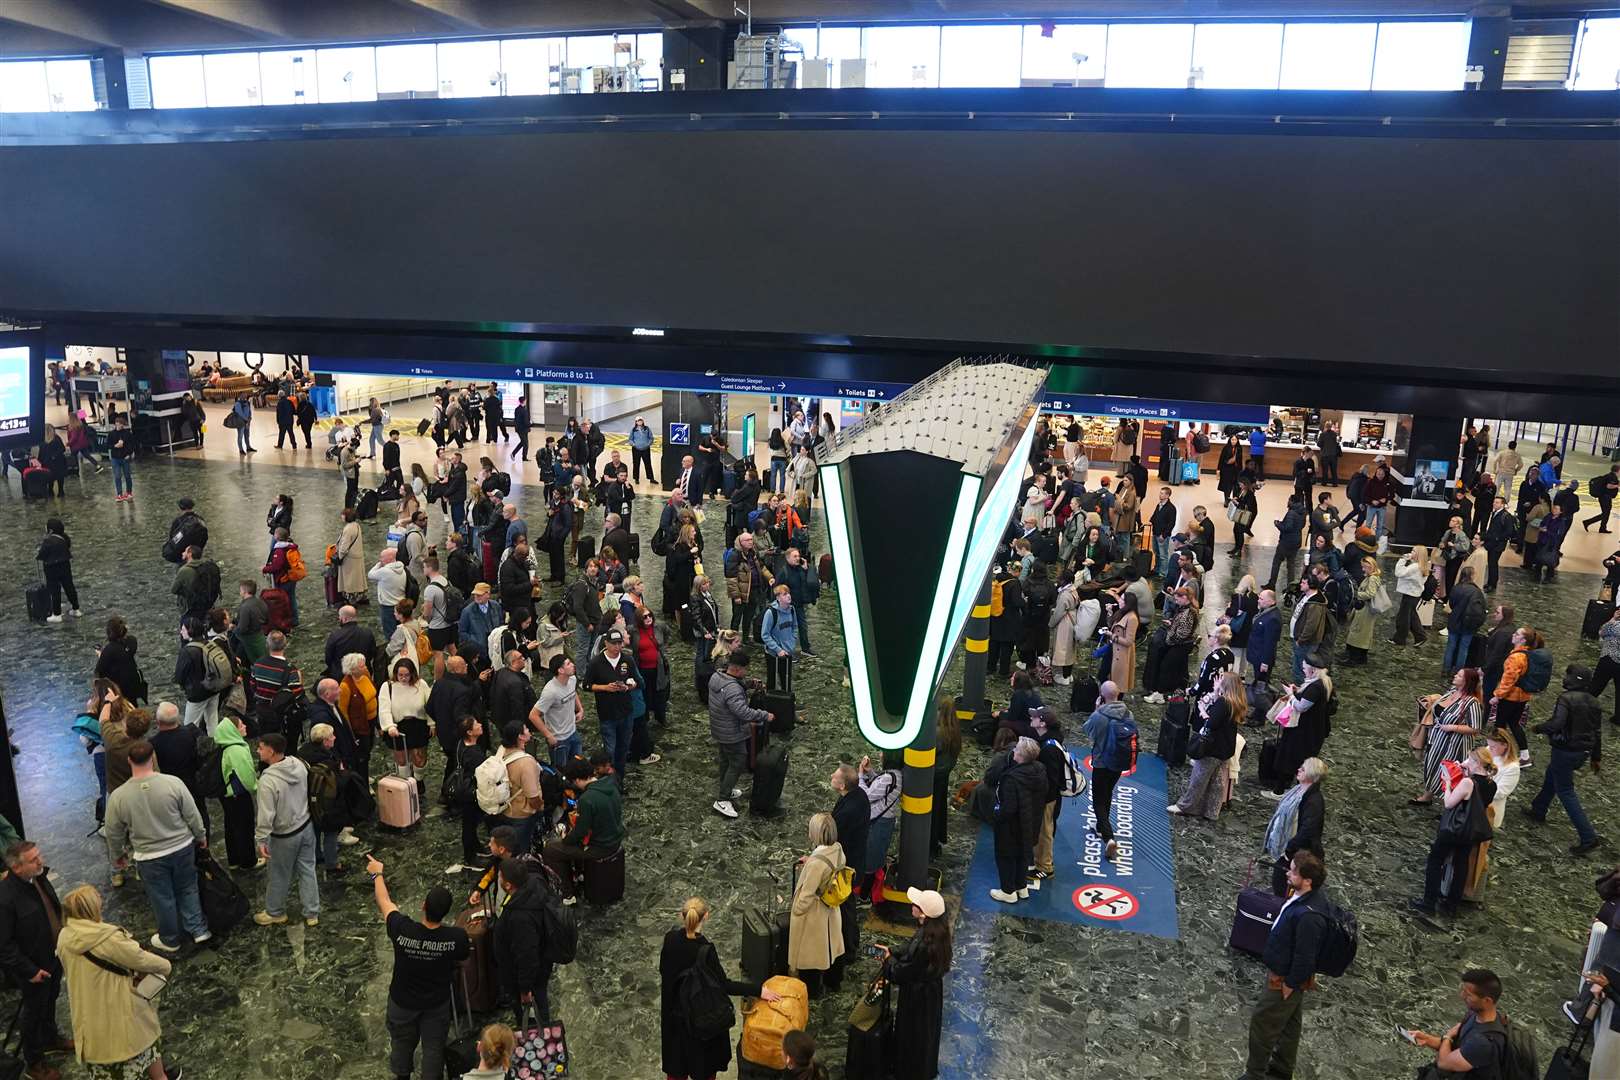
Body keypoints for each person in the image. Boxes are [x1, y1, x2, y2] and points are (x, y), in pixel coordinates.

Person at [55, 885, 182, 1080]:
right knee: (146, 1047)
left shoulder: (64, 937)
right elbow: (145, 960)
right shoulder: (109, 938)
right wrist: (166, 966)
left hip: (89, 1020)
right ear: (91, 909)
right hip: (122, 1017)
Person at [104, 741, 211, 954]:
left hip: (148, 856)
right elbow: (192, 814)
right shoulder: (173, 783)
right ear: (153, 758)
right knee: (188, 887)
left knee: (163, 898)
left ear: (129, 761)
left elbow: (113, 832)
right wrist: (201, 836)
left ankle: (171, 939)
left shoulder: (119, 796)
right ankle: (199, 930)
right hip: (182, 847)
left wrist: (117, 856)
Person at [365, 857, 468, 1080]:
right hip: (436, 1005)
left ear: (423, 906)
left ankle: (402, 1076)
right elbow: (463, 956)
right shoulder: (455, 938)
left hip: (402, 1003)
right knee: (433, 1050)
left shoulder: (403, 930)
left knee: (401, 1045)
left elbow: (384, 902)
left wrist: (377, 874)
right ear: (446, 913)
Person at [658, 896, 777, 1080]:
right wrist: (760, 990)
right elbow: (724, 985)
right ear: (706, 916)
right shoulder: (705, 951)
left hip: (674, 1027)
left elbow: (664, 971)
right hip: (699, 1026)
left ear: (682, 916)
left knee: (676, 1073)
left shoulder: (670, 940)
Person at [1240, 851, 1329, 1080]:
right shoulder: (1305, 897)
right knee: (1289, 1026)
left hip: (1284, 980)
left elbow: (1305, 957)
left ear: (1307, 880)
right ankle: (1281, 1071)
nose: (1287, 873)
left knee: (1263, 1023)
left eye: (1293, 871)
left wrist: (1290, 983)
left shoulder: (1310, 917)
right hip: (1286, 975)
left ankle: (1254, 1074)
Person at [0, 841, 70, 1080]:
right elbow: (4, 945)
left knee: (50, 999)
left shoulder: (38, 877)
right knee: (33, 1012)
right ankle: (34, 1061)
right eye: (33, 859)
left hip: (53, 955)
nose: (41, 861)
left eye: (39, 856)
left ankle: (51, 1038)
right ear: (17, 868)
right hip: (32, 967)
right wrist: (29, 970)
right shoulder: (5, 898)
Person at [866, 888, 949, 1080]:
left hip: (917, 999)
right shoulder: (935, 931)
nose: (912, 904)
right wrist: (893, 951)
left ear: (923, 912)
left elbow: (901, 973)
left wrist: (888, 960)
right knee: (925, 1037)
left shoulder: (925, 945)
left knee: (913, 1038)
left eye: (916, 904)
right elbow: (909, 949)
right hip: (928, 995)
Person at [1524, 663, 1605, 855]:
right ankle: (1539, 809)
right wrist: (1596, 757)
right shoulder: (1595, 702)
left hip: (1565, 750)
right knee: (1553, 774)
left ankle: (1588, 837)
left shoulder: (1566, 698)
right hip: (1582, 752)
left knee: (1566, 791)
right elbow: (1597, 731)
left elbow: (1557, 723)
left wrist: (1539, 728)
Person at [1412, 749, 1497, 916]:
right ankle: (1451, 905)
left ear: (1476, 763)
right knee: (1461, 864)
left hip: (1454, 829)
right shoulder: (1491, 784)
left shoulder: (1468, 783)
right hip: (1471, 832)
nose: (1465, 761)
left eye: (1469, 759)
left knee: (1436, 859)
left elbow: (1449, 803)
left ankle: (1428, 902)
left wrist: (1449, 783)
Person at [252, 733, 320, 927]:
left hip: (284, 836)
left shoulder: (267, 781)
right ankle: (312, 913)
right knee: (308, 870)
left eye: (261, 747)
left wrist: (261, 839)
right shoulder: (298, 764)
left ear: (271, 751)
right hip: (306, 826)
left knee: (278, 874)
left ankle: (275, 912)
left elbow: (266, 815)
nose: (257, 750)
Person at [542, 756, 624, 905]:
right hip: (614, 839)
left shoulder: (587, 799)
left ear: (577, 780)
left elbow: (580, 832)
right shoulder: (611, 785)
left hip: (600, 847)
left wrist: (565, 840)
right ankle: (579, 874)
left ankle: (567, 894)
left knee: (551, 850)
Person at [1404, 969, 1509, 1078]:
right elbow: (1454, 1047)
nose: (1462, 996)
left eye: (1468, 995)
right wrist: (1427, 1039)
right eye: (1463, 990)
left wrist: (1448, 1036)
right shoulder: (1473, 1014)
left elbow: (1444, 1063)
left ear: (1487, 1001)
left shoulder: (1484, 1043)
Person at [1170, 670, 1246, 821]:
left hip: (1212, 747)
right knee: (1216, 781)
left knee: (1199, 777)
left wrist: (1203, 712)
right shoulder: (1235, 702)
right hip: (1224, 748)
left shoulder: (1224, 703)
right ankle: (1211, 810)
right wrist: (1217, 691)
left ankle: (1185, 806)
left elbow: (1211, 722)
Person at [788, 812, 847, 997]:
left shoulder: (816, 864)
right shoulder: (837, 849)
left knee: (811, 957)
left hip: (814, 916)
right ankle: (833, 981)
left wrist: (797, 910)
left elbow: (806, 895)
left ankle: (812, 991)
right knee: (832, 949)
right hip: (831, 908)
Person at [708, 649, 771, 819]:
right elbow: (743, 712)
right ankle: (722, 800)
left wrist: (749, 684)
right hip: (731, 732)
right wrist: (764, 715)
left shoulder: (717, 677)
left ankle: (725, 788)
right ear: (737, 669)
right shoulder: (733, 689)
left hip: (719, 729)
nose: (746, 672)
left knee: (725, 759)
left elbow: (734, 687)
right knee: (737, 761)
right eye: (745, 669)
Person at [492, 860, 555, 1027]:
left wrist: (524, 989)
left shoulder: (520, 917)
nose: (498, 878)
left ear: (508, 884)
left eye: (500, 876)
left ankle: (540, 1035)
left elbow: (526, 954)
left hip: (527, 974)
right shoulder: (534, 885)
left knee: (534, 1007)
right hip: (541, 961)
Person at [1413, 668, 1485, 804]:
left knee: (1448, 772)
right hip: (1436, 739)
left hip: (1454, 745)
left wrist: (1453, 727)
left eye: (1459, 675)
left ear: (1466, 682)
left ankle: (1450, 804)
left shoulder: (1472, 703)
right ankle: (1427, 796)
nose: (1455, 676)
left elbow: (1475, 728)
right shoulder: (1452, 692)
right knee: (1432, 766)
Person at [989, 737, 1047, 905]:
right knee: (1023, 855)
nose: (1013, 751)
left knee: (1006, 857)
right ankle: (1021, 887)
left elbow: (1008, 809)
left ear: (1020, 756)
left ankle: (1008, 891)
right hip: (1031, 823)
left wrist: (996, 813)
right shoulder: (1040, 770)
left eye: (1016, 750)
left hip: (1010, 828)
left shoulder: (1012, 779)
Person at [1084, 682, 1136, 862]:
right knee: (1107, 793)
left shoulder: (1100, 716)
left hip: (1101, 761)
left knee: (1098, 800)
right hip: (1119, 762)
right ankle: (1100, 826)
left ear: (1101, 695)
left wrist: (1096, 710)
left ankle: (1108, 837)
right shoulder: (1128, 713)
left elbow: (1088, 732)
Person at [1268, 656, 1334, 797]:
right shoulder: (1323, 683)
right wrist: (1297, 691)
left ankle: (1281, 791)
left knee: (1291, 759)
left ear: (1312, 670)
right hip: (1312, 731)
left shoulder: (1315, 688)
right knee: (1300, 760)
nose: (1303, 669)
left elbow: (1301, 706)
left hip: (1303, 732)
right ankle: (1296, 792)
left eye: (1305, 667)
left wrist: (1291, 695)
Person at [586, 629, 638, 783]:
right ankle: (610, 781)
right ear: (606, 643)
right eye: (613, 643)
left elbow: (635, 680)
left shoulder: (627, 660)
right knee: (610, 751)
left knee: (623, 749)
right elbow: (586, 685)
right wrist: (605, 688)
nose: (617, 647)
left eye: (619, 643)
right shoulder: (596, 662)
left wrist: (629, 686)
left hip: (626, 712)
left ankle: (619, 780)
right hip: (607, 714)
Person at [494, 722, 543, 857]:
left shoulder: (501, 751)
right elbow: (532, 796)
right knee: (521, 852)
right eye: (526, 729)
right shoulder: (526, 763)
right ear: (520, 737)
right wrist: (540, 808)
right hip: (522, 815)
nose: (529, 730)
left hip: (504, 810)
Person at [35, 517, 82, 624]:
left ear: (50, 530)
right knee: (69, 587)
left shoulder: (48, 541)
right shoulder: (65, 538)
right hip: (65, 566)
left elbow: (42, 554)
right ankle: (76, 609)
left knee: (55, 591)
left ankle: (56, 614)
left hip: (51, 569)